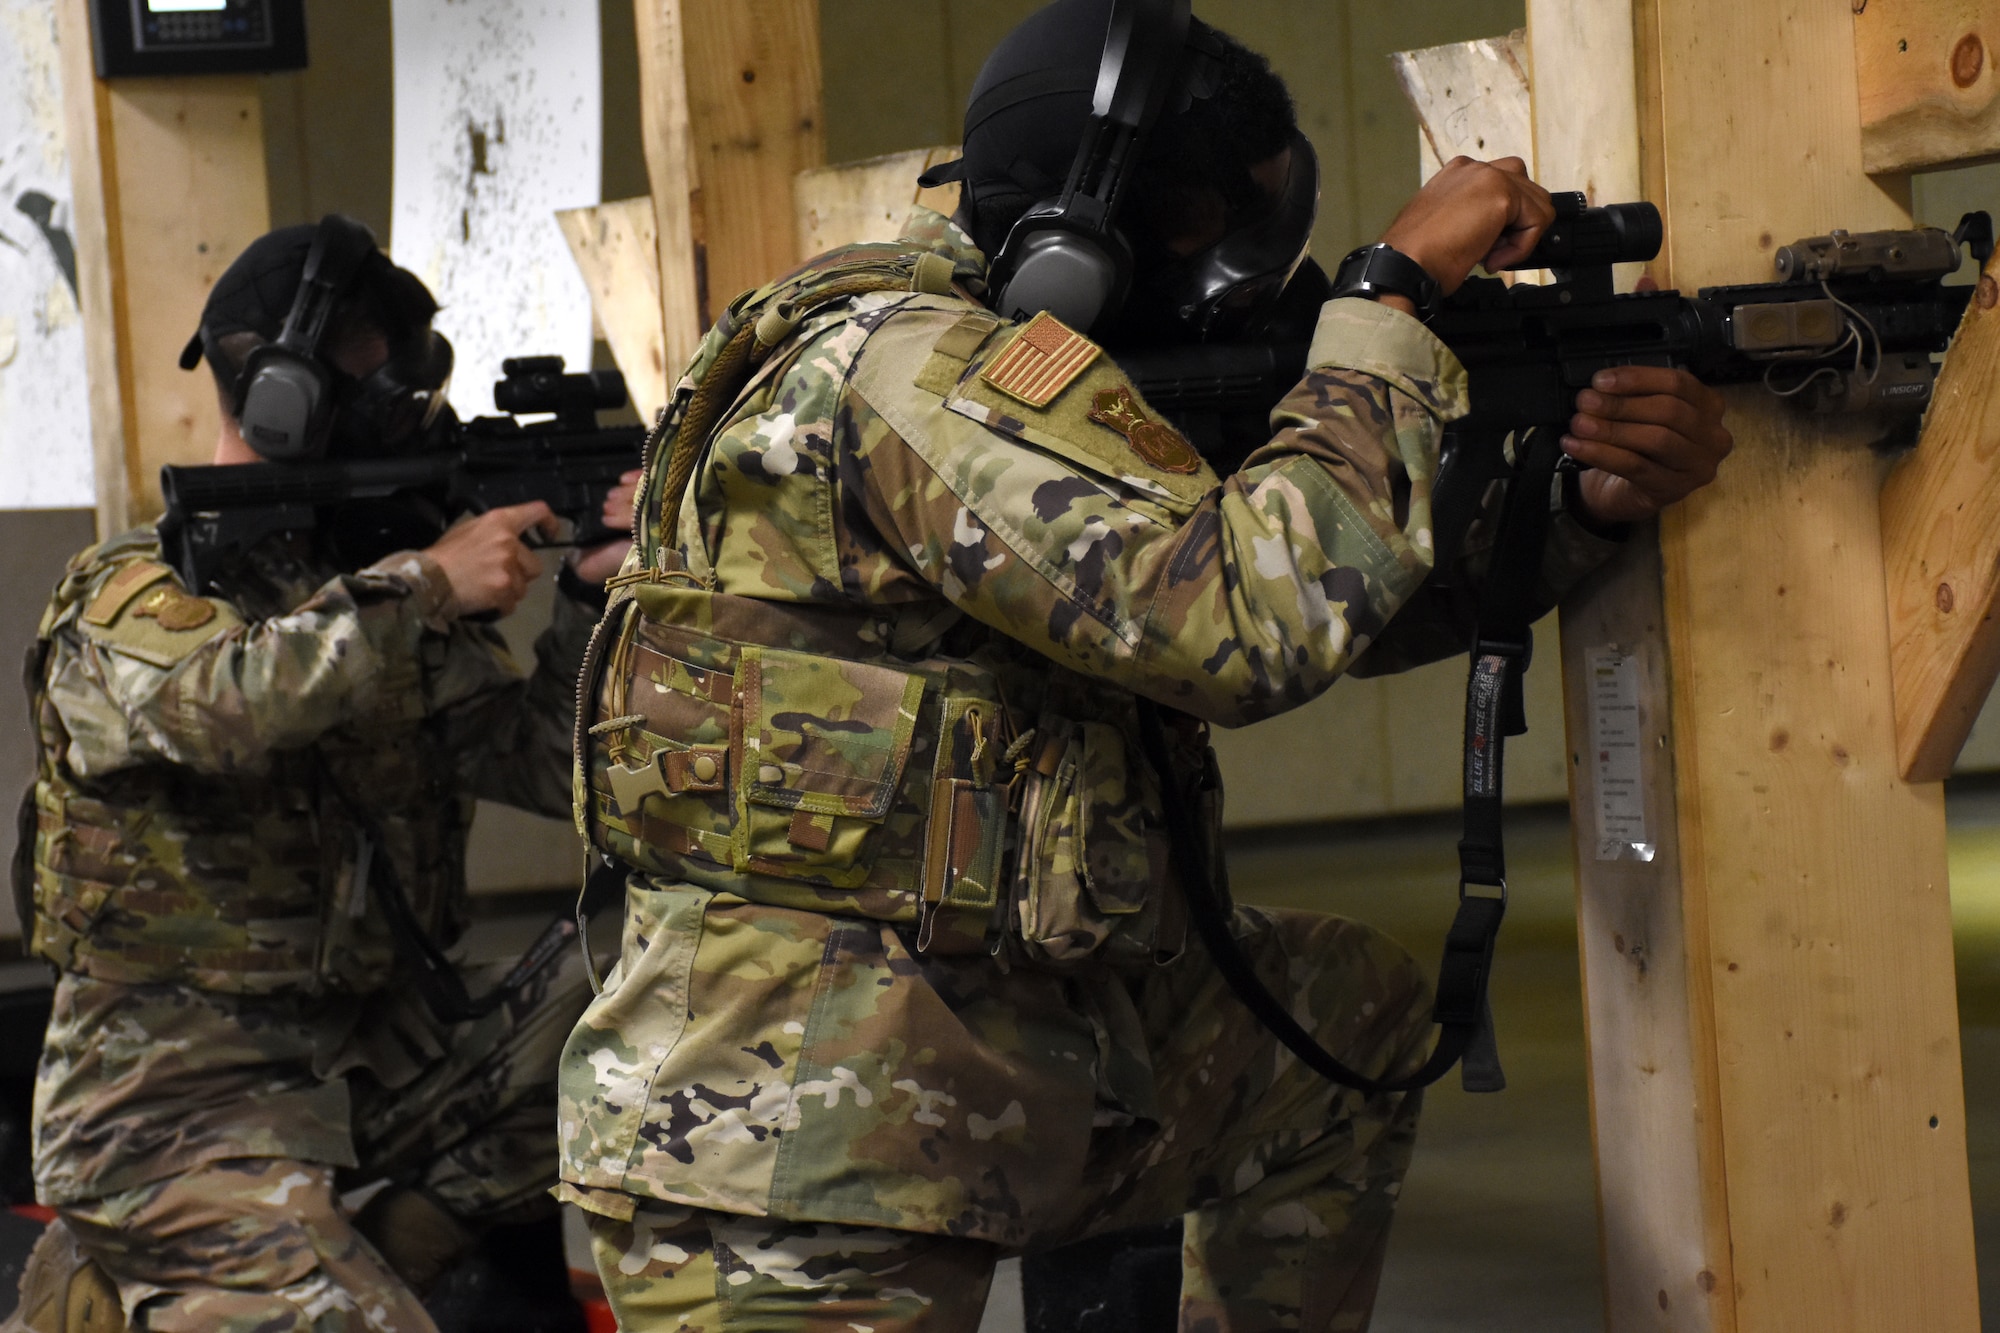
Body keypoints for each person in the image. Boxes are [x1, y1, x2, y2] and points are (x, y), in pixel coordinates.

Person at [557, 3, 1733, 1329]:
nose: (1231, 275)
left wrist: (1576, 507)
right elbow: (1247, 622)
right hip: (787, 1125)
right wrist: (1383, 308)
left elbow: (1308, 588)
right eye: (1198, 231)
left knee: (1346, 1027)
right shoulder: (909, 371)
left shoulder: (1004, 364)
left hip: (999, 1046)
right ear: (1081, 236)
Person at [6, 216, 637, 1332]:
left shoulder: (372, 604)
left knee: (645, 933)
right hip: (173, 1106)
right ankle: (146, 1277)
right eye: (382, 394)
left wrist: (590, 597)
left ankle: (330, 1257)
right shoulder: (131, 596)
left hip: (374, 1068)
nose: (412, 420)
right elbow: (217, 706)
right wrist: (426, 585)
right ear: (284, 406)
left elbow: (556, 768)